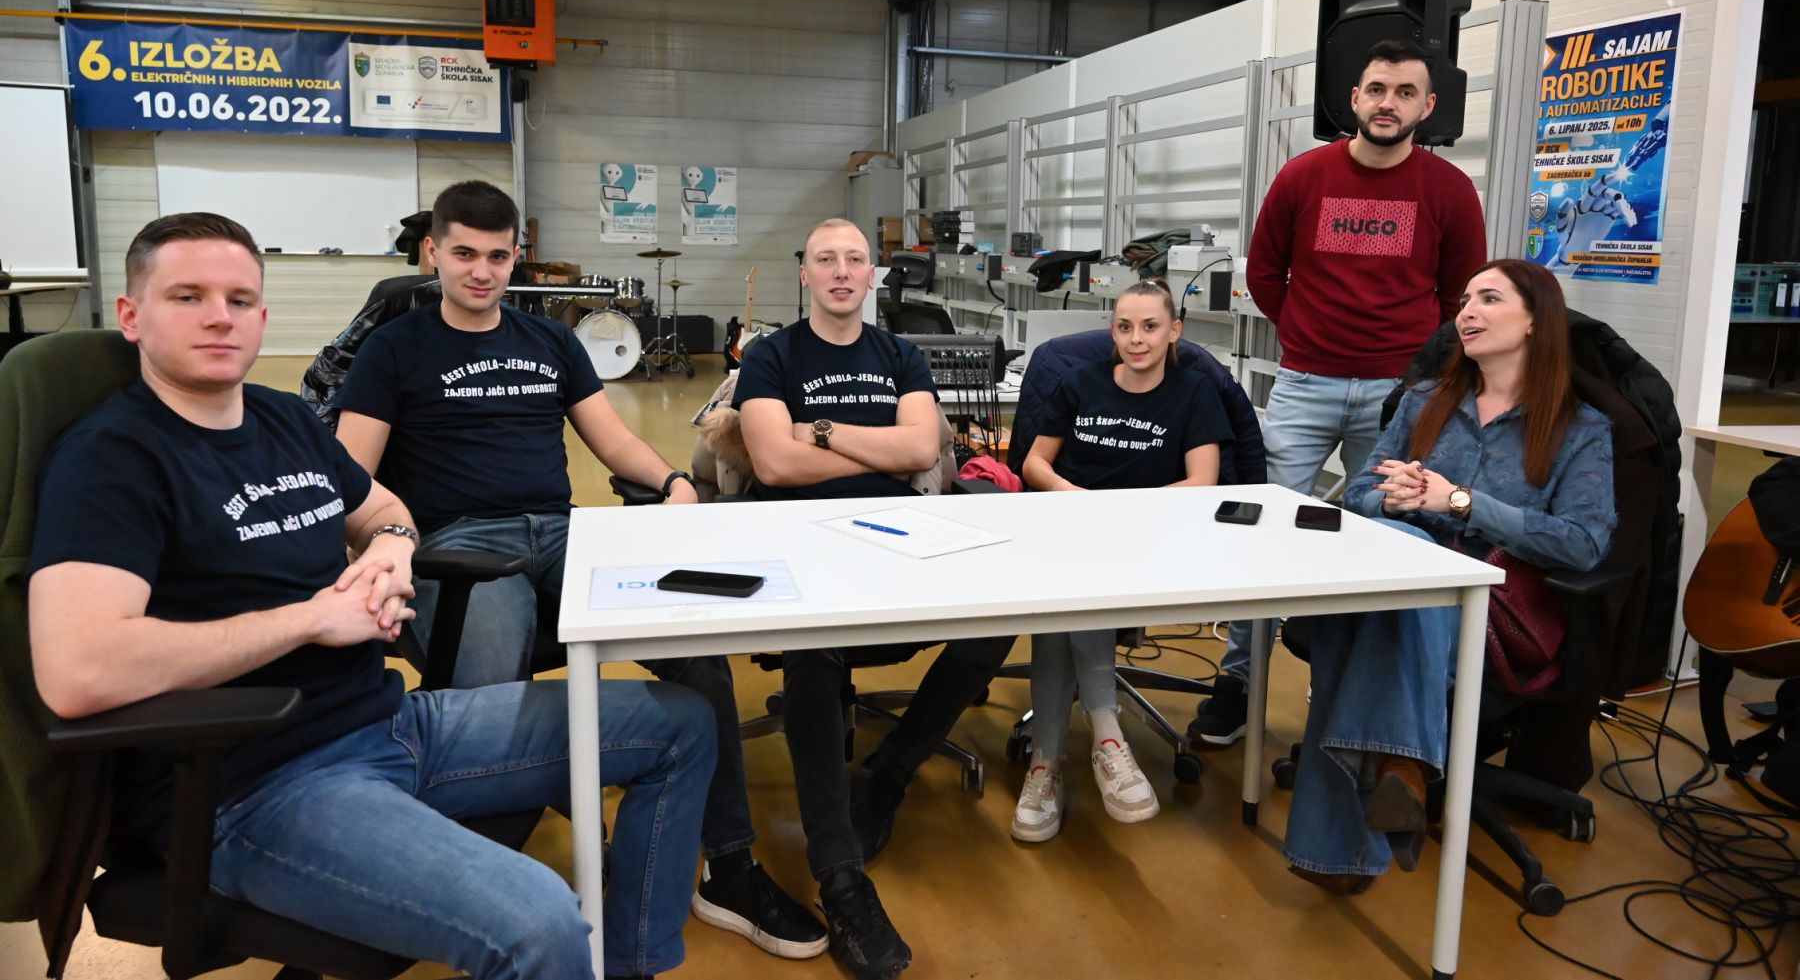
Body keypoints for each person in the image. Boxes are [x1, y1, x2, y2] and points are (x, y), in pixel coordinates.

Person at [26, 212, 715, 980]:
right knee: (541, 924)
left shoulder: (282, 418)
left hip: (390, 722)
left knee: (679, 724)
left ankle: (629, 964)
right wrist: (310, 618)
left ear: (262, 316)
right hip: (260, 783)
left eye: (239, 299)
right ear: (131, 314)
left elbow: (382, 506)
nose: (220, 316)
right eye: (188, 296)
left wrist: (391, 545)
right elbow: (79, 670)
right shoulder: (112, 458)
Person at [332, 181, 825, 960]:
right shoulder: (394, 348)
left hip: (566, 534)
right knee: (489, 700)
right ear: (433, 251)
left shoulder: (548, 340)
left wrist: (674, 481)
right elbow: (351, 474)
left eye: (498, 256)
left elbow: (612, 441)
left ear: (517, 256)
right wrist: (379, 547)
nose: (481, 271)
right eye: (464, 253)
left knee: (696, 650)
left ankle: (729, 864)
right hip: (461, 547)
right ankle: (476, 885)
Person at [731, 218, 1014, 980]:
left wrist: (819, 430)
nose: (841, 271)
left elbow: (921, 447)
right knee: (815, 646)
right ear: (805, 273)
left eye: (855, 259)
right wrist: (872, 447)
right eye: (826, 259)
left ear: (871, 275)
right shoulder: (772, 356)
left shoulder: (900, 355)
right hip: (802, 541)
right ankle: (840, 875)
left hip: (901, 535)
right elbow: (772, 464)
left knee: (995, 621)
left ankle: (889, 773)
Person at [1191, 38, 1489, 750]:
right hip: (1305, 383)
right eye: (1377, 89)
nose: (1389, 103)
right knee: (1261, 530)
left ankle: (1342, 695)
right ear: (1354, 99)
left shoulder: (1449, 190)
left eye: (1405, 92)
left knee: (1378, 540)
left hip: (1399, 394)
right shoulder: (1304, 175)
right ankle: (1240, 681)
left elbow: (1460, 293)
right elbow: (1265, 273)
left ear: (1428, 106)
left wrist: (1415, 367)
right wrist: (1305, 332)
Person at [1285, 258, 1616, 892]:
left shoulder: (1578, 429)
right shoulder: (1423, 403)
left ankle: (1341, 848)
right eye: (1463, 300)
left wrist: (1461, 503)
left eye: (1489, 299)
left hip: (1492, 611)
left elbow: (1584, 544)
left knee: (1362, 617)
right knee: (1394, 567)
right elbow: (1358, 493)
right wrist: (1393, 499)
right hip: (1397, 591)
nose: (1466, 312)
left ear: (1535, 321)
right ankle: (1401, 767)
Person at [1010, 280, 1231, 841]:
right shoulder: (1080, 382)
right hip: (1071, 525)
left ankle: (1048, 762)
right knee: (1069, 583)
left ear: (1174, 330)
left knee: (1071, 591)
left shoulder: (1195, 391)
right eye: (1125, 327)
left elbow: (1203, 480)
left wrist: (1123, 512)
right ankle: (1102, 743)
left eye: (1151, 327)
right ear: (1113, 331)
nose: (1137, 339)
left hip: (1150, 536)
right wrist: (1072, 496)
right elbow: (1034, 463)